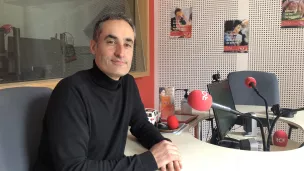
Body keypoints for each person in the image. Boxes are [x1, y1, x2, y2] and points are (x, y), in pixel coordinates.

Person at [34, 13, 182, 171]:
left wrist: (163, 146)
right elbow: (73, 168)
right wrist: (149, 160)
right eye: (111, 42)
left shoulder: (128, 84)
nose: (120, 52)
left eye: (127, 44)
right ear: (93, 47)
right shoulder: (71, 92)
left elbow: (141, 125)